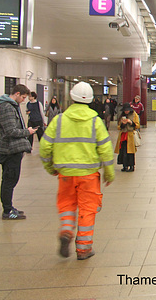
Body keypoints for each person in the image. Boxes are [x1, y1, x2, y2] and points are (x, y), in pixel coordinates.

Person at [39, 82, 114, 260]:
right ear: (89, 100)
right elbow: (105, 149)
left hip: (65, 174)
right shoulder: (95, 121)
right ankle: (83, 249)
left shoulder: (58, 120)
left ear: (71, 97)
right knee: (87, 210)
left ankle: (66, 231)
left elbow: (44, 147)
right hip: (88, 175)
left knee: (67, 205)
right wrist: (109, 172)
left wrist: (50, 167)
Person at [0, 84, 37, 220]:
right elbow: (10, 131)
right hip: (9, 150)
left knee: (12, 179)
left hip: (14, 149)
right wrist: (28, 132)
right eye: (23, 97)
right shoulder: (7, 108)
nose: (24, 100)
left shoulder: (12, 106)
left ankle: (9, 207)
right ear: (17, 94)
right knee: (9, 180)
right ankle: (7, 210)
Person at [116, 104, 140, 172]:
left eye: (127, 110)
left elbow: (137, 125)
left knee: (130, 152)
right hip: (123, 135)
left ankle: (132, 166)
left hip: (130, 135)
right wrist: (122, 124)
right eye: (125, 110)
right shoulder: (122, 116)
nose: (126, 112)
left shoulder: (134, 115)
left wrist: (130, 122)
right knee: (123, 151)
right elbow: (118, 127)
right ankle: (125, 165)